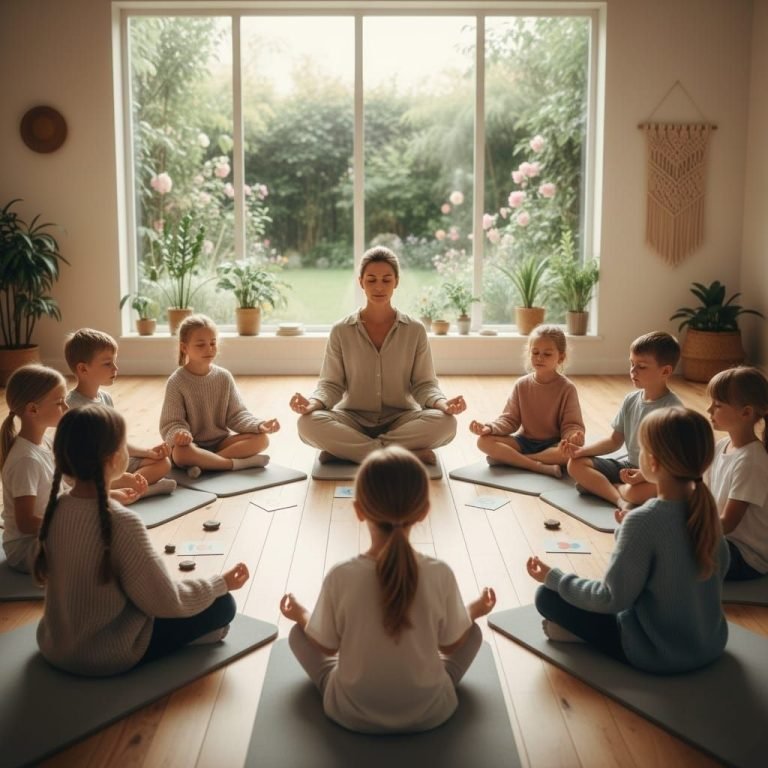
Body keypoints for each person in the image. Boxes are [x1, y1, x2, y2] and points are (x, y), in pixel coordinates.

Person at [279, 445, 496, 733]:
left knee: (297, 635)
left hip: (349, 711)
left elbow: (325, 645)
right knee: (474, 632)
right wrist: (475, 610)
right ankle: (431, 688)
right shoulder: (439, 573)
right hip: (431, 710)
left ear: (358, 510)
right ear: (424, 512)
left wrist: (302, 614)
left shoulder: (341, 576)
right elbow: (451, 644)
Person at [34, 405, 250, 676]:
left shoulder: (55, 509)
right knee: (223, 604)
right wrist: (221, 583)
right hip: (108, 654)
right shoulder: (123, 523)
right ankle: (199, 636)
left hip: (55, 645)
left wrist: (111, 498)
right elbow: (166, 602)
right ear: (114, 459)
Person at [527, 407, 729, 674]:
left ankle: (579, 636)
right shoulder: (706, 509)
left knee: (547, 597)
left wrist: (554, 577)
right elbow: (715, 569)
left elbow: (611, 598)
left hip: (657, 652)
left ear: (653, 463)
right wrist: (629, 532)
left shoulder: (643, 521)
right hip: (710, 644)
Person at [290, 246, 465, 465]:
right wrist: (313, 404)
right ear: (361, 281)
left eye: (386, 279)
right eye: (371, 280)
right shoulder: (341, 331)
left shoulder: (415, 330)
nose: (379, 287)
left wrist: (443, 404)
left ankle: (350, 452)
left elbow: (424, 385)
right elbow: (331, 385)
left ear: (396, 282)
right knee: (307, 424)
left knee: (446, 423)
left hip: (402, 419)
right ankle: (399, 455)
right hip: (351, 418)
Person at [566, 331, 682, 507]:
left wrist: (643, 475)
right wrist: (581, 452)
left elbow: (671, 462)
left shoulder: (673, 410)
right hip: (628, 465)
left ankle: (604, 488)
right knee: (574, 465)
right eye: (631, 364)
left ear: (665, 371)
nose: (632, 371)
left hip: (656, 473)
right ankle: (619, 498)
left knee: (644, 492)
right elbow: (614, 441)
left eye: (641, 366)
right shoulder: (631, 400)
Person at [160, 314, 279, 478]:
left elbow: (237, 415)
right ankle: (237, 464)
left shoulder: (224, 377)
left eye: (213, 343)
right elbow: (171, 423)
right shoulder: (176, 382)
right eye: (201, 344)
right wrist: (180, 434)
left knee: (262, 439)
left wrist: (259, 425)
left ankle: (207, 465)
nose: (209, 348)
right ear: (184, 347)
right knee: (180, 454)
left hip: (221, 444)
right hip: (191, 446)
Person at [64, 328, 175, 497]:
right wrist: (122, 475)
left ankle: (122, 491)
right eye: (107, 363)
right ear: (83, 369)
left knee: (163, 463)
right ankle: (139, 491)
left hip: (113, 466)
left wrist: (148, 452)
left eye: (114, 361)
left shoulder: (106, 399)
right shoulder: (71, 406)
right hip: (87, 475)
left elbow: (118, 443)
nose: (115, 368)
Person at [469, 324, 584, 478]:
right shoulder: (521, 385)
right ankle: (538, 466)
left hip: (553, 446)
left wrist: (573, 437)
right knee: (482, 442)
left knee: (571, 452)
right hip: (523, 442)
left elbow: (572, 425)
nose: (539, 357)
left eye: (547, 354)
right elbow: (509, 420)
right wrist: (489, 428)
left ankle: (511, 460)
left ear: (561, 357)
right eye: (535, 352)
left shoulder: (567, 388)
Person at [1, 365, 68, 573]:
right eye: (59, 402)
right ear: (33, 410)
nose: (66, 407)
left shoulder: (44, 443)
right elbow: (26, 522)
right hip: (26, 547)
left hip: (46, 532)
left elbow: (62, 489)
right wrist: (68, 526)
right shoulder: (26, 461)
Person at [705, 366, 768, 580]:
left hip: (745, 555)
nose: (709, 410)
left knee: (671, 552)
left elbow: (728, 523)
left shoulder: (751, 460)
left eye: (718, 405)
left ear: (746, 412)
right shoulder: (721, 445)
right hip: (719, 538)